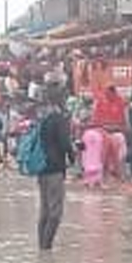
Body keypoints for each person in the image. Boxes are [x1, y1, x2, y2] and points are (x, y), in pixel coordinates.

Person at [34, 85, 75, 251]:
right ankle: (46, 248)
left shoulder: (42, 118)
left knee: (44, 210)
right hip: (55, 169)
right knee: (55, 213)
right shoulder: (59, 119)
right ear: (60, 100)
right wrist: (72, 157)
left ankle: (41, 249)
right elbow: (65, 143)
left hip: (41, 169)